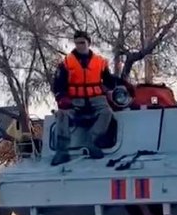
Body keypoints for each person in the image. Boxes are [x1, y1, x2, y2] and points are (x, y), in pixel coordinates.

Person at [51, 30, 125, 166]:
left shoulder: (100, 62)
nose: (80, 46)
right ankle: (62, 151)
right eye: (77, 43)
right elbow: (58, 84)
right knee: (61, 114)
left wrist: (117, 84)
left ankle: (92, 142)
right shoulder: (67, 63)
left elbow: (109, 81)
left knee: (107, 113)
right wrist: (61, 97)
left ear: (89, 43)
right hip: (75, 101)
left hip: (96, 100)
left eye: (82, 42)